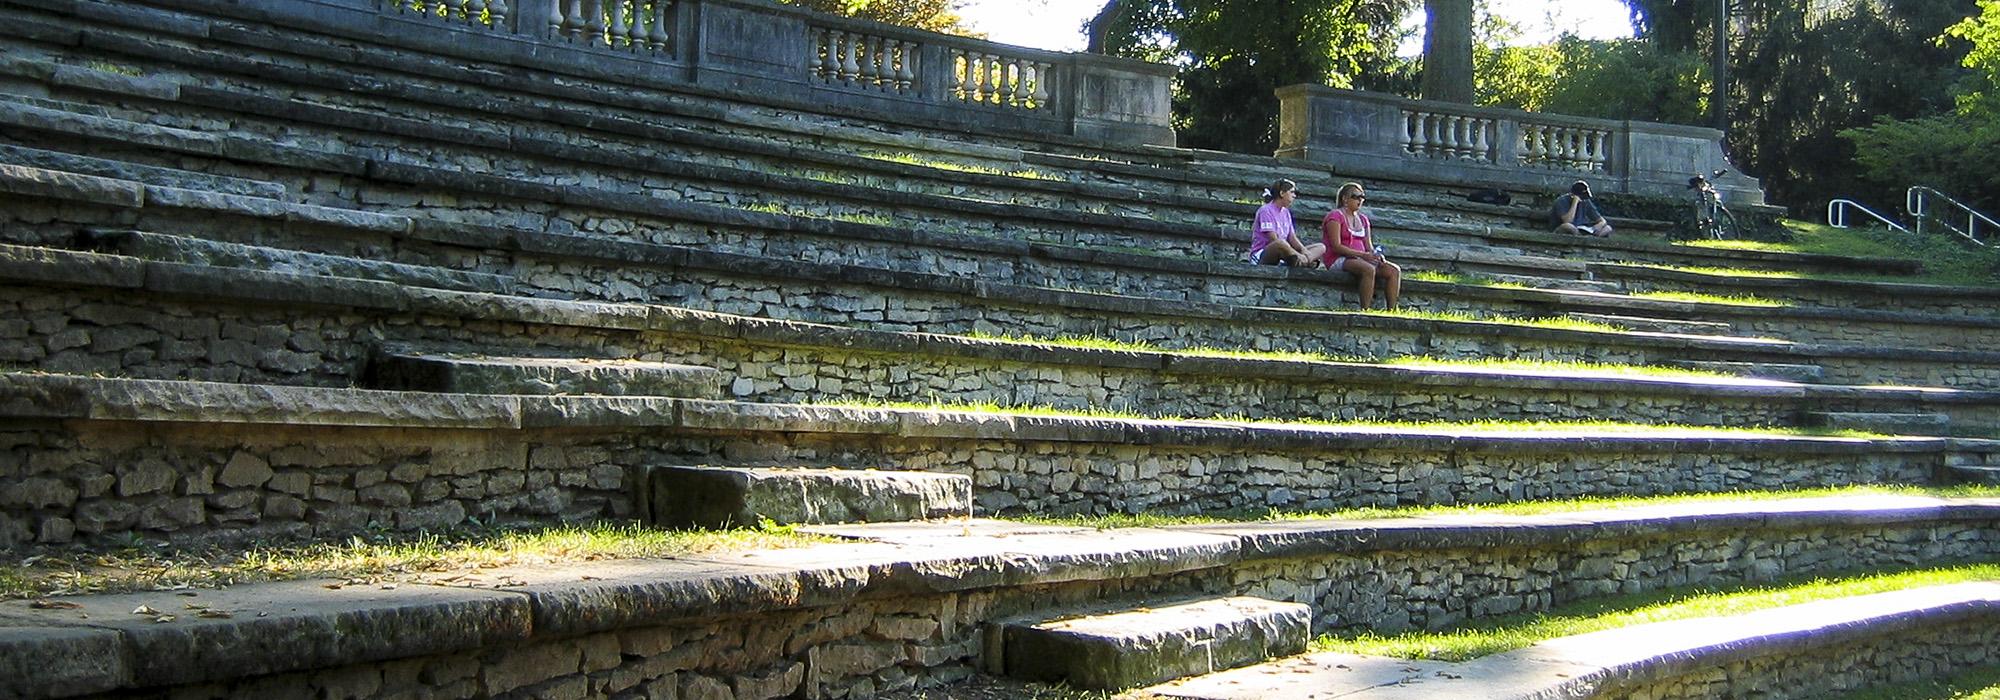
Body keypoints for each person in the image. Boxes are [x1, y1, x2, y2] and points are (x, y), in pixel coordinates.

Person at [1321, 182, 1400, 310]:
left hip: (1361, 258)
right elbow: (1336, 246)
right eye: (1356, 197)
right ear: (1345, 198)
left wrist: (1375, 255)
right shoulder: (1335, 217)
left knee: (1393, 270)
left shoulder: (1363, 219)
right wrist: (1363, 255)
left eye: (1362, 197)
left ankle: (1392, 309)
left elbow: (1368, 245)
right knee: (1368, 269)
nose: (1360, 200)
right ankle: (1365, 309)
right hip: (1339, 258)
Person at [1249, 178, 1326, 268]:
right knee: (1280, 243)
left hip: (1286, 252)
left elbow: (1292, 237)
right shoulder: (1266, 210)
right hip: (1264, 254)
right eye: (1292, 192)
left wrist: (1304, 250)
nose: (1294, 196)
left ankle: (1301, 260)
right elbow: (1273, 240)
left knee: (1321, 247)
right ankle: (1304, 261)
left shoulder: (1286, 212)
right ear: (1282, 193)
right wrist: (1296, 253)